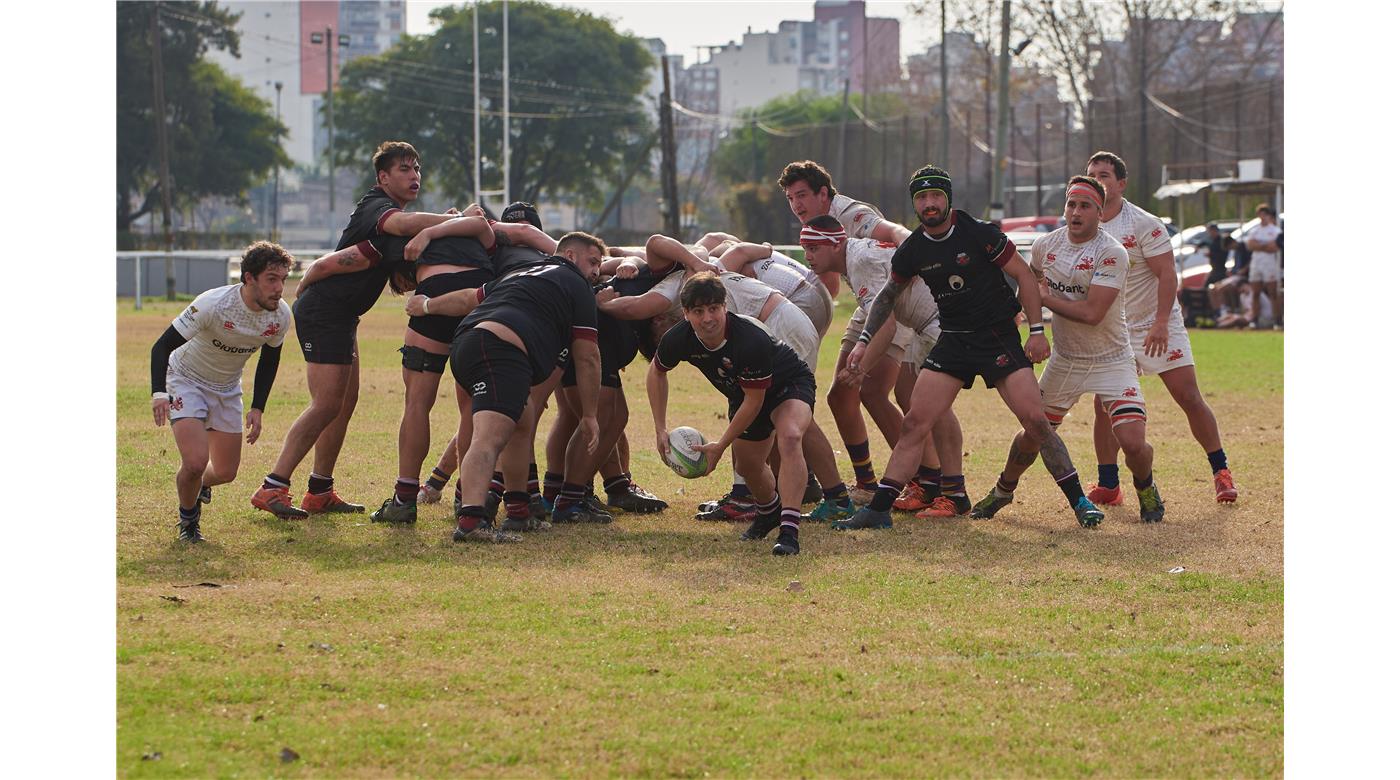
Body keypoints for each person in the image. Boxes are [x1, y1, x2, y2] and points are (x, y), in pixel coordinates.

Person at [839, 165, 1105, 531]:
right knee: (915, 421)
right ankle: (879, 510)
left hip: (997, 336)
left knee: (1036, 422)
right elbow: (887, 296)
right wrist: (863, 342)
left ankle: (1080, 501)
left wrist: (1037, 330)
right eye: (921, 198)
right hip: (954, 339)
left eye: (936, 196)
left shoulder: (979, 233)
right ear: (915, 203)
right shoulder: (914, 248)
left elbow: (1024, 275)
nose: (929, 204)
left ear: (948, 198)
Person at [251, 141, 455, 520]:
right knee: (327, 403)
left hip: (343, 316)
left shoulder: (393, 221)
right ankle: (272, 486)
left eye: (417, 169)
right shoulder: (376, 207)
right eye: (404, 169)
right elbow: (400, 226)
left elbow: (397, 276)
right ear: (383, 177)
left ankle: (320, 490)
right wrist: (456, 221)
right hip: (325, 313)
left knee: (344, 404)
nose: (414, 176)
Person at [409, 232, 606, 541]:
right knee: (488, 438)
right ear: (570, 256)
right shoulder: (575, 283)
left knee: (522, 422)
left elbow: (467, 299)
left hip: (469, 343)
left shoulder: (521, 273)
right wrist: (591, 415)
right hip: (500, 350)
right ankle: (472, 521)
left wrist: (427, 306)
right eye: (593, 262)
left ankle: (518, 512)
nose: (596, 271)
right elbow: (588, 356)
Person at [1084, 151, 1237, 504]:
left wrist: (1162, 323)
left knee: (1188, 396)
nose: (1097, 180)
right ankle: (1109, 484)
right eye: (1092, 174)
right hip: (1113, 332)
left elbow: (1167, 274)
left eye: (1104, 175)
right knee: (1103, 405)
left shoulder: (1143, 223)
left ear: (1121, 184)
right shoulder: (1084, 222)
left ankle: (1221, 472)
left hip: (1156, 323)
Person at [799, 215, 970, 518]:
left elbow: (887, 326)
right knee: (910, 397)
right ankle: (929, 485)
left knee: (933, 409)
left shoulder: (860, 260)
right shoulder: (854, 257)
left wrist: (861, 368)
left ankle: (954, 493)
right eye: (805, 248)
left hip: (942, 323)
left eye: (814, 248)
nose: (808, 256)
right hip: (924, 326)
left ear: (837, 243)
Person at [1024, 177, 1165, 522]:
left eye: (1085, 206)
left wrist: (1043, 298)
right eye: (1071, 204)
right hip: (1066, 359)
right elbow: (1029, 282)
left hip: (1112, 358)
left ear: (1100, 213)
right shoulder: (1045, 245)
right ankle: (1002, 490)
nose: (1076, 212)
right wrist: (1035, 328)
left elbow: (1092, 313)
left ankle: (1145, 486)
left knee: (1133, 443)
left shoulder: (1112, 251)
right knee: (1033, 432)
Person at [648, 272, 816, 555]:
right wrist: (659, 428)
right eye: (699, 311)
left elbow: (756, 400)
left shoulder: (749, 339)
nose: (708, 318)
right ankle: (769, 511)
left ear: (725, 307)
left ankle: (789, 531)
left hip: (788, 383)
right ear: (686, 314)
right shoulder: (678, 339)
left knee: (789, 436)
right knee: (748, 466)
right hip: (745, 393)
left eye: (714, 309)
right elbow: (656, 372)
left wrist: (721, 445)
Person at [151, 242, 294, 541]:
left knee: (226, 472)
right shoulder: (213, 304)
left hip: (227, 388)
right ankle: (189, 522)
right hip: (185, 378)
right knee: (194, 462)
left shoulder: (280, 316)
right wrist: (159, 393)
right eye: (271, 278)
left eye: (283, 278)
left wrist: (258, 407)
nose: (279, 287)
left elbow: (270, 358)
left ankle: (197, 484)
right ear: (249, 278)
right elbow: (161, 346)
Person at [1245, 204, 1283, 329]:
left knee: (1273, 292)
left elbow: (1274, 247)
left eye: (1265, 215)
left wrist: (1259, 245)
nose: (1263, 217)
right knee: (1255, 292)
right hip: (1256, 264)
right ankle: (1254, 319)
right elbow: (1250, 245)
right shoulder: (1254, 230)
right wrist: (1264, 246)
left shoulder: (1275, 231)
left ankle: (1277, 319)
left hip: (1270, 264)